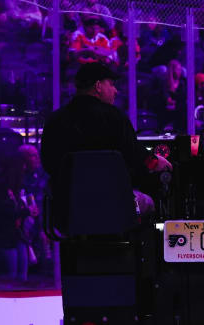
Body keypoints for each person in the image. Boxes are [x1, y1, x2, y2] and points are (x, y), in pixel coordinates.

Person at [41, 63, 171, 215]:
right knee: (149, 203)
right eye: (112, 84)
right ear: (98, 86)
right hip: (113, 204)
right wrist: (157, 163)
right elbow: (136, 157)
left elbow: (48, 163)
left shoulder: (54, 120)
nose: (115, 91)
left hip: (67, 207)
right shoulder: (115, 117)